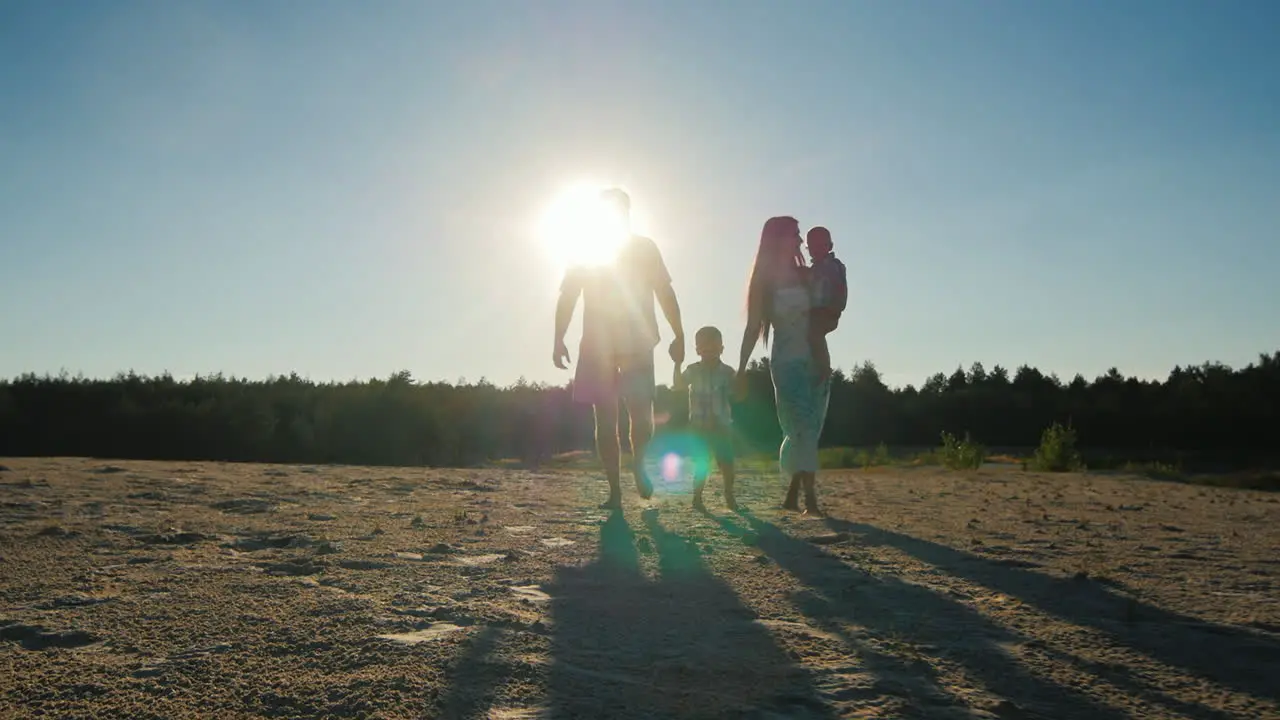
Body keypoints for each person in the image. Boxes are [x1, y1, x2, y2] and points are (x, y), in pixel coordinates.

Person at [553, 187, 685, 510]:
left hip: (638, 341)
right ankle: (614, 490)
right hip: (597, 345)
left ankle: (639, 464)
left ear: (627, 212)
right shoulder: (583, 250)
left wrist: (679, 333)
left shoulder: (644, 247)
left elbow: (664, 292)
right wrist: (558, 337)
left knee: (641, 414)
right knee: (605, 419)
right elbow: (568, 296)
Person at [734, 216, 831, 515]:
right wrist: (741, 369)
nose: (801, 241)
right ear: (777, 239)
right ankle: (810, 500)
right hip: (787, 363)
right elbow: (753, 328)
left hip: (816, 360)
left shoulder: (807, 275)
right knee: (800, 425)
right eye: (795, 235)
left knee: (810, 430)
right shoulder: (763, 281)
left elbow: (826, 313)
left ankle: (792, 495)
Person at [672, 326, 737, 511]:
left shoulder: (727, 372)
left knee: (726, 462)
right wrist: (677, 364)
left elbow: (738, 393)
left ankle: (729, 495)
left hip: (722, 424)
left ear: (722, 349)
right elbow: (678, 385)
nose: (709, 352)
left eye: (714, 348)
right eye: (704, 348)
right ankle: (697, 497)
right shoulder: (692, 370)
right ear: (698, 350)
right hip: (699, 425)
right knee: (702, 462)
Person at [805, 226, 847, 384]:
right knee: (812, 334)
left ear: (829, 246)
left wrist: (834, 306)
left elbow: (838, 288)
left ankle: (822, 368)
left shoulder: (832, 266)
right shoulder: (816, 268)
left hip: (828, 310)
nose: (816, 250)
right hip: (819, 309)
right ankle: (816, 364)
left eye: (821, 245)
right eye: (812, 247)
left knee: (814, 333)